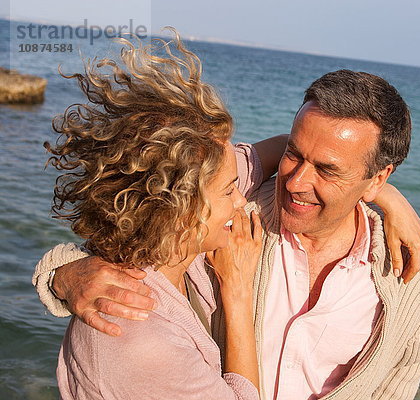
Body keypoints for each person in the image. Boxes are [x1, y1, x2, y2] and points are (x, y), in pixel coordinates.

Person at [34, 45, 420, 399]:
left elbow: (404, 372)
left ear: (378, 177)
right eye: (294, 154)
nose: (295, 182)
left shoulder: (401, 262)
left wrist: (387, 199)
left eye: (328, 170)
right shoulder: (232, 218)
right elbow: (135, 222)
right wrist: (64, 275)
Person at [44, 32, 266, 399]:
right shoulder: (139, 333)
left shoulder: (169, 251)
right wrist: (238, 291)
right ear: (180, 209)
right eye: (229, 190)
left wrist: (381, 192)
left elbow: (270, 154)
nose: (241, 200)